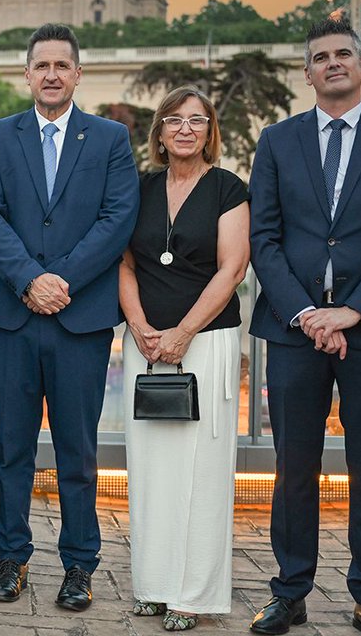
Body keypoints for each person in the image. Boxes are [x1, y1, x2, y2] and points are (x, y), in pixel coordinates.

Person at [248, 17, 361, 636]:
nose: (332, 63)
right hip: (293, 331)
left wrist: (351, 311)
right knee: (292, 466)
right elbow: (265, 238)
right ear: (307, 72)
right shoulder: (277, 141)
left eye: (343, 54)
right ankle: (291, 590)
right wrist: (306, 312)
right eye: (320, 56)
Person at [0, 23, 139, 610]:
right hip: (10, 315)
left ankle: (79, 565)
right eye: (41, 65)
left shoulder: (111, 138)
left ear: (78, 74)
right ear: (27, 73)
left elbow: (118, 217)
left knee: (77, 450)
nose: (51, 75)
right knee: (12, 446)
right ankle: (11, 558)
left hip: (79, 314)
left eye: (62, 66)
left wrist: (61, 279)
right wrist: (29, 280)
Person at [118, 87, 249, 631]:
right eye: (174, 120)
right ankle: (153, 583)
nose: (185, 129)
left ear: (210, 130)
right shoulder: (140, 187)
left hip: (207, 342)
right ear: (160, 132)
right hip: (146, 346)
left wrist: (183, 332)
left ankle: (194, 592)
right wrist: (143, 328)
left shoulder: (228, 188)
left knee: (202, 472)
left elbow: (233, 268)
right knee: (150, 469)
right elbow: (123, 265)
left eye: (197, 120)